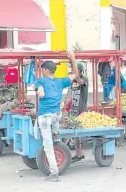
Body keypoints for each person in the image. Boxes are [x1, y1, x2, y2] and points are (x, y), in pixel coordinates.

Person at [35, 50, 78, 182]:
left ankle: (54, 173)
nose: (41, 72)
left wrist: (40, 93)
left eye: (42, 70)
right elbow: (75, 74)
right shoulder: (60, 82)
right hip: (56, 116)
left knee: (47, 144)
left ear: (47, 70)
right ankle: (58, 140)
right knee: (55, 137)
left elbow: (41, 94)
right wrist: (73, 58)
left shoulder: (40, 81)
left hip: (45, 117)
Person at [65, 62, 89, 162]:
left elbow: (80, 82)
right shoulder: (72, 82)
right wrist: (64, 105)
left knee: (77, 133)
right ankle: (79, 153)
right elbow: (69, 95)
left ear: (79, 71)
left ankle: (79, 153)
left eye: (75, 70)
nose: (73, 72)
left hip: (81, 110)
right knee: (74, 134)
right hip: (73, 110)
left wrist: (74, 76)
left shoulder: (84, 79)